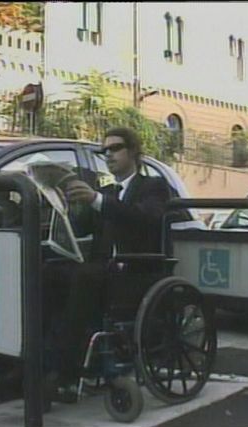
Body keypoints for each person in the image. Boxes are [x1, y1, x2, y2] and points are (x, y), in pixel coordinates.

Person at [45, 127, 172, 403]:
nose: (108, 155)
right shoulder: (106, 191)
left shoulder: (153, 187)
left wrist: (96, 200)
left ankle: (64, 375)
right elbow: (83, 226)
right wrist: (70, 205)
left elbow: (144, 217)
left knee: (84, 277)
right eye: (104, 151)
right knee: (48, 273)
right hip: (103, 269)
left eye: (115, 148)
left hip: (136, 272)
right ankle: (39, 363)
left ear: (133, 151)